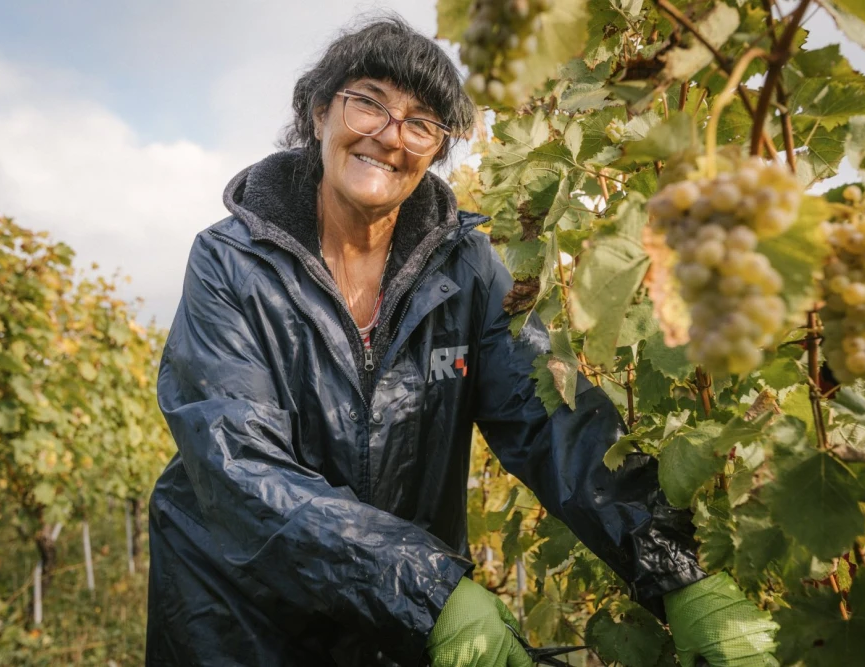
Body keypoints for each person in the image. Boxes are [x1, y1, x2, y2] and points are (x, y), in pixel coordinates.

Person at [146, 17, 778, 667]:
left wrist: (677, 564)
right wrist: (428, 589)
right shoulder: (230, 262)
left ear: (436, 150)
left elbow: (548, 420)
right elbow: (239, 467)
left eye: (421, 122)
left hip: (393, 621)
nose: (391, 136)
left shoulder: (465, 269)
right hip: (239, 620)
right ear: (318, 114)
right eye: (368, 102)